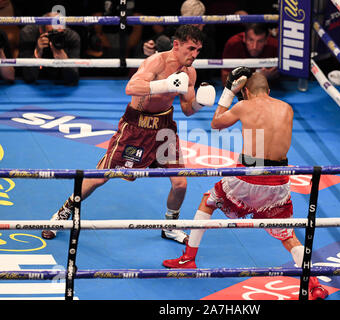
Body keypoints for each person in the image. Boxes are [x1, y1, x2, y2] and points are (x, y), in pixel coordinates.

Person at [162, 69, 329, 300]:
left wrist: (230, 93)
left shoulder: (244, 106)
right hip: (278, 179)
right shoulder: (287, 108)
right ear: (269, 91)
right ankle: (314, 285)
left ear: (247, 91)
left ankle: (188, 258)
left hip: (247, 174)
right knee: (287, 234)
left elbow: (215, 123)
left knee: (208, 201)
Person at [41, 25, 216, 244]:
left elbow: (188, 110)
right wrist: (164, 84)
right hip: (136, 127)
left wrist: (200, 102)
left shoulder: (190, 72)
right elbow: (131, 87)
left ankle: (171, 226)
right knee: (100, 177)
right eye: (191, 49)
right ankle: (62, 213)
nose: (194, 55)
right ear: (176, 45)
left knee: (180, 183)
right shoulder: (157, 62)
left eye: (198, 50)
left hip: (164, 128)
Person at [18, 12, 80, 86]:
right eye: (53, 33)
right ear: (41, 31)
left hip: (60, 81)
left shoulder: (71, 37)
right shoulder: (28, 34)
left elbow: (73, 80)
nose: (57, 36)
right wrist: (37, 53)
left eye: (60, 33)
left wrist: (65, 62)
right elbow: (28, 78)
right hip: (37, 81)